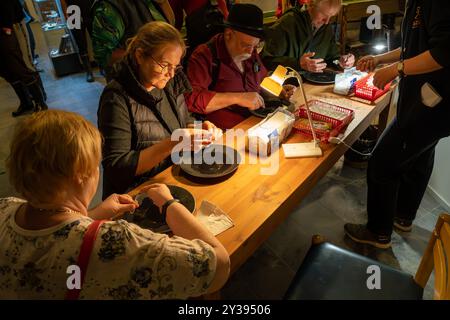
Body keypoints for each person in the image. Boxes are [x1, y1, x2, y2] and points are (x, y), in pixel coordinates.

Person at [0, 109, 230, 299]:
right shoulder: (114, 242)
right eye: (96, 163)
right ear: (81, 174)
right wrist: (170, 204)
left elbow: (55, 236)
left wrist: (94, 214)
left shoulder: (5, 208)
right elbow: (218, 267)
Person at [344, 0, 450, 249]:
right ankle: (403, 217)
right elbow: (413, 47)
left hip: (433, 103)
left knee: (382, 162)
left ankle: (378, 232)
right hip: (431, 105)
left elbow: (443, 52)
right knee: (420, 157)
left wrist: (397, 70)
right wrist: (380, 59)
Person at [98, 21, 221, 198]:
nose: (171, 74)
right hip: (137, 193)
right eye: (164, 65)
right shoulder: (116, 97)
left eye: (175, 66)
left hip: (171, 177)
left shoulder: (170, 82)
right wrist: (173, 142)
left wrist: (199, 128)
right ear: (140, 56)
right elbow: (116, 168)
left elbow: (183, 119)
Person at [185, 4, 294, 130]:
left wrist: (278, 90)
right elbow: (193, 100)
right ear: (229, 34)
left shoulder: (250, 51)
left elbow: (261, 80)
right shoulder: (205, 56)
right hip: (225, 133)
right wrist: (238, 97)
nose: (250, 51)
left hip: (256, 124)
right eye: (246, 45)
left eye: (255, 46)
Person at [262, 0, 354, 73]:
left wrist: (341, 61)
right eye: (323, 15)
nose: (326, 21)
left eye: (331, 16)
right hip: (287, 86)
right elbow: (266, 61)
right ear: (310, 5)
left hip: (312, 85)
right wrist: (298, 64)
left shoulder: (325, 27)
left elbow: (331, 58)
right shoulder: (287, 23)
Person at [91, 0, 175, 78]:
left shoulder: (157, 2)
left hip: (161, 76)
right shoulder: (112, 7)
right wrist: (146, 56)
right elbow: (104, 55)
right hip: (134, 80)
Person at [0, 0, 48, 117]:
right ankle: (26, 103)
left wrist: (6, 24)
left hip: (11, 26)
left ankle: (40, 102)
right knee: (6, 71)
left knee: (22, 67)